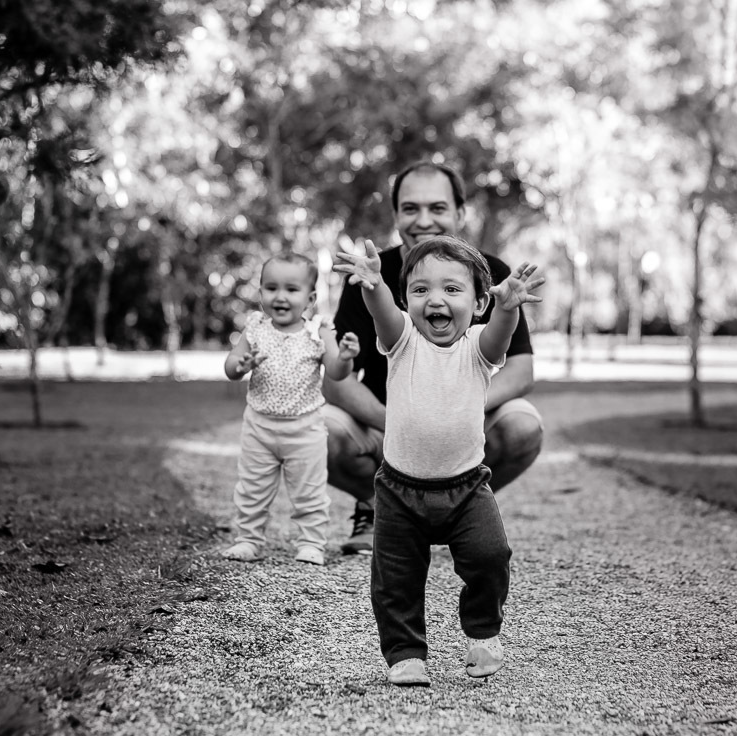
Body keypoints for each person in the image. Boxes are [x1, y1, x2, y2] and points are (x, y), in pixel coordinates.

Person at [333, 234, 545, 686]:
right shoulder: (402, 341)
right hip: (398, 490)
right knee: (396, 580)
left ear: (479, 302)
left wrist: (509, 307)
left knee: (492, 554)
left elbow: (500, 336)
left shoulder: (477, 349)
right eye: (421, 289)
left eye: (452, 289)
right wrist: (373, 286)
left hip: (467, 488)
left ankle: (483, 632)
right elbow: (384, 315)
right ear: (407, 297)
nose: (436, 300)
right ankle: (406, 654)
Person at [323, 161, 543, 556]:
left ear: (460, 213)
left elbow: (521, 371)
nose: (424, 220)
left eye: (437, 208)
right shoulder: (369, 277)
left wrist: (452, 409)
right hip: (383, 427)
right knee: (319, 431)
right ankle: (379, 507)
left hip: (463, 427)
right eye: (410, 208)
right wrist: (404, 418)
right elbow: (334, 378)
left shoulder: (493, 274)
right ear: (396, 215)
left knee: (523, 424)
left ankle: (464, 510)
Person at [222, 253, 361, 566]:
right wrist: (239, 365)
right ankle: (248, 540)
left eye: (291, 289)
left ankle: (311, 543)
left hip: (305, 428)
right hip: (259, 426)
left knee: (309, 492)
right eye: (271, 288)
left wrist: (347, 357)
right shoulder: (255, 328)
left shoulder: (318, 331)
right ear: (260, 293)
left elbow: (336, 372)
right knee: (252, 489)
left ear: (310, 298)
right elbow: (231, 366)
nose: (280, 297)